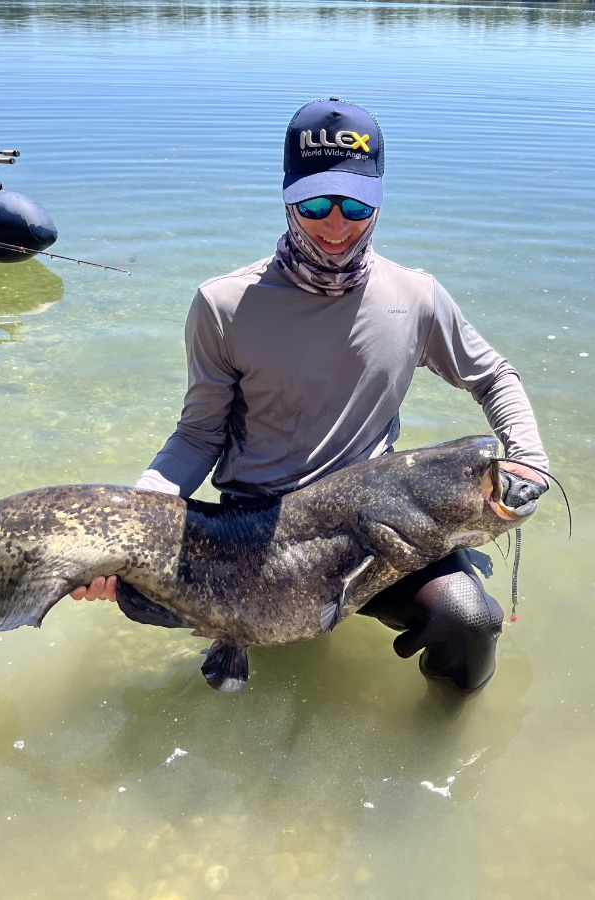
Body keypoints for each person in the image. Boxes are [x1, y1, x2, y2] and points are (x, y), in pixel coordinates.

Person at [73, 98, 550, 693]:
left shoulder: (417, 297)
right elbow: (197, 436)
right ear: (287, 197)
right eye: (316, 204)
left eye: (357, 206)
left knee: (470, 622)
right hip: (251, 534)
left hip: (379, 527)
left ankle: (445, 729)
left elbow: (494, 376)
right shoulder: (223, 305)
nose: (336, 226)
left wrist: (529, 456)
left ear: (378, 201)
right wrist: (133, 523)